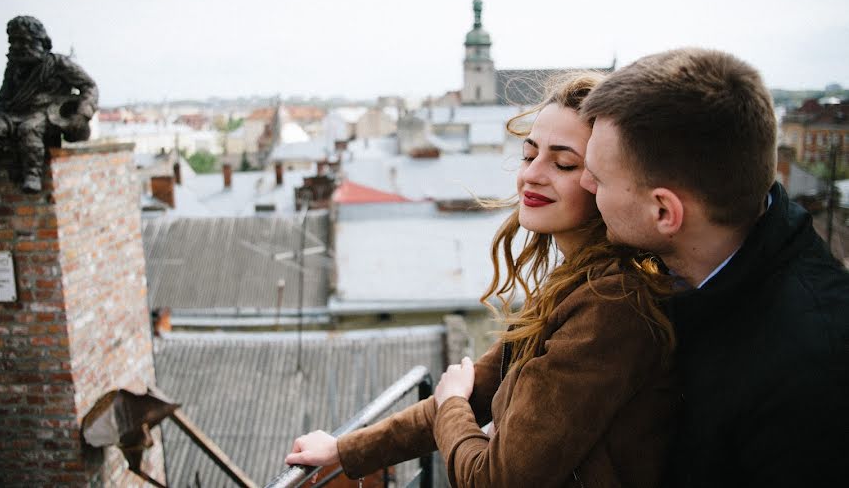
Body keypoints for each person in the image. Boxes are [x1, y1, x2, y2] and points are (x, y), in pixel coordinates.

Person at [285, 73, 678, 487]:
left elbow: (494, 478)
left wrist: (451, 402)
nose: (533, 175)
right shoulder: (574, 282)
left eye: (564, 163)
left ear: (604, 179)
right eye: (529, 156)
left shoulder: (610, 303)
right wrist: (344, 450)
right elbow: (480, 388)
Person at [578, 47, 849, 487]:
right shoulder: (692, 276)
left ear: (665, 212)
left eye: (599, 178)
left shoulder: (810, 376)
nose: (585, 186)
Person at [0, 15, 98, 194]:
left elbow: (89, 86)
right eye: (14, 41)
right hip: (14, 114)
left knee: (30, 129)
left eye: (23, 41)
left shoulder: (57, 64)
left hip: (46, 114)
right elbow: (3, 97)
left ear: (38, 41)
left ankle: (32, 176)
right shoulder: (13, 68)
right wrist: (0, 115)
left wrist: (82, 114)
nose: (18, 46)